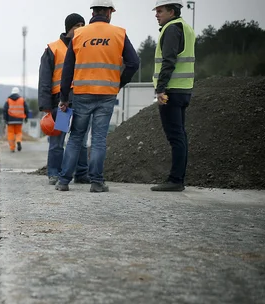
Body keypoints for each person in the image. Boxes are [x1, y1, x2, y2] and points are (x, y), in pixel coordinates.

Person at [56, 0, 140, 193]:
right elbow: (133, 62)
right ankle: (96, 182)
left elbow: (68, 69)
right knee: (99, 138)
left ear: (92, 13)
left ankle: (63, 182)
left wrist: (63, 98)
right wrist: (118, 83)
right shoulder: (119, 33)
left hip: (82, 93)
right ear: (109, 12)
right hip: (107, 94)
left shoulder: (79, 34)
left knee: (76, 137)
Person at [38, 13, 91, 185]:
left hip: (82, 99)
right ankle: (54, 173)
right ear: (68, 28)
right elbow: (44, 79)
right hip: (62, 102)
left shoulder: (85, 47)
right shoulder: (53, 49)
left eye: (83, 25)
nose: (80, 28)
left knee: (81, 139)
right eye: (77, 25)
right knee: (58, 140)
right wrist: (46, 107)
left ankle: (82, 173)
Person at [150, 0, 195, 192]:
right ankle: (177, 178)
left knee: (175, 136)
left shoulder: (171, 29)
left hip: (171, 91)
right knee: (180, 135)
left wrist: (161, 89)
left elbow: (169, 60)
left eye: (160, 11)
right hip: (183, 89)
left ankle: (175, 180)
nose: (156, 14)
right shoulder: (186, 28)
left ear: (172, 11)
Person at [3, 87, 29, 153]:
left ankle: (12, 148)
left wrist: (5, 119)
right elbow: (26, 109)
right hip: (19, 120)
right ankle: (18, 141)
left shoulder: (8, 100)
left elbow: (5, 110)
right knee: (18, 132)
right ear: (18, 92)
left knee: (11, 133)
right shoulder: (22, 100)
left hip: (10, 120)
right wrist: (26, 117)